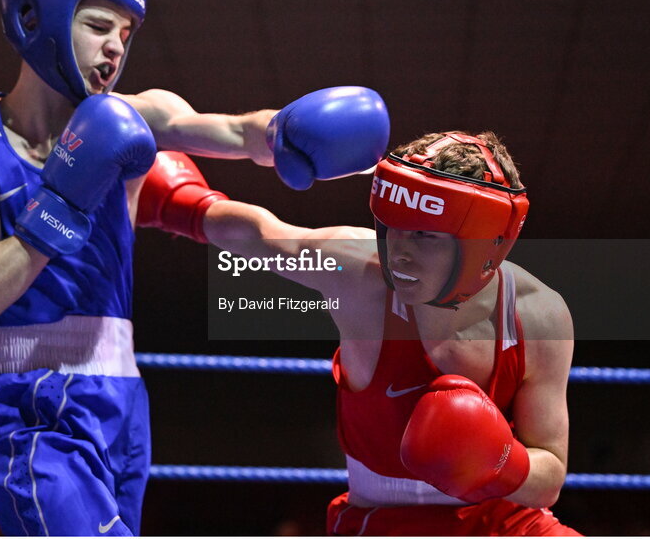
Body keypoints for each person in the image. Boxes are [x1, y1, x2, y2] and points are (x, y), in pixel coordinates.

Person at [0, 0, 390, 536]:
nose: (115, 47)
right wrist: (65, 199)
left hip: (121, 400)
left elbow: (232, 129)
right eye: (97, 26)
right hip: (25, 402)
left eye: (126, 32)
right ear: (35, 19)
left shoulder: (135, 117)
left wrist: (285, 135)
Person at [137, 132, 580, 536]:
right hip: (381, 524)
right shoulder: (356, 272)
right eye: (391, 228)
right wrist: (177, 200)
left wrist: (500, 463)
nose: (399, 253)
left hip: (505, 521)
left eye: (424, 235)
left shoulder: (537, 316)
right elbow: (263, 238)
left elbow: (549, 480)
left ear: (487, 244)